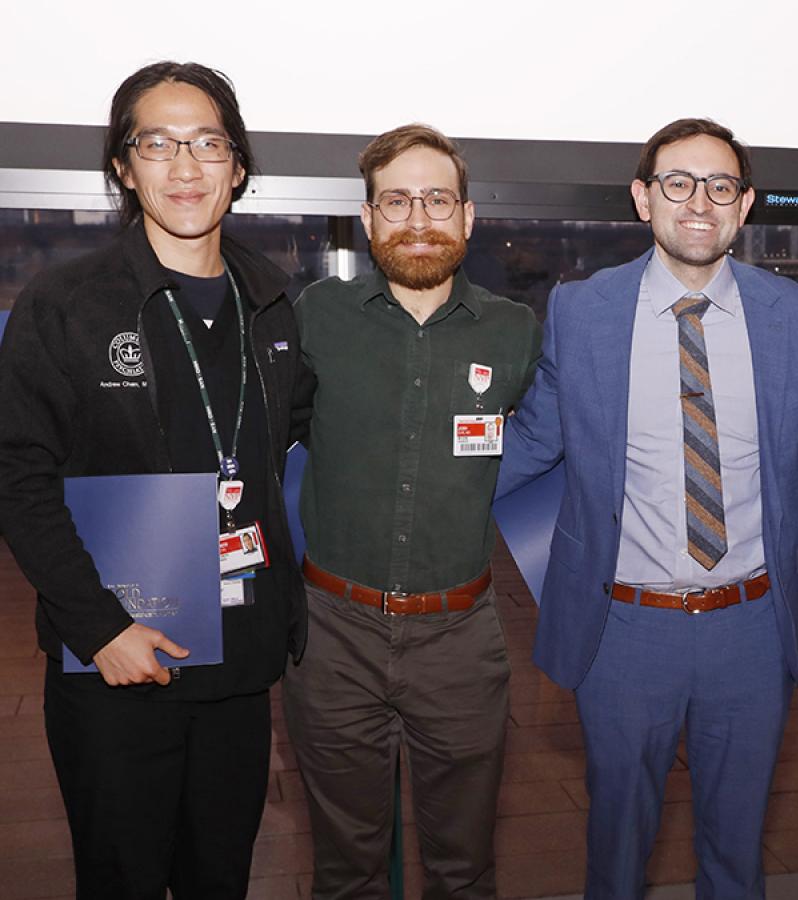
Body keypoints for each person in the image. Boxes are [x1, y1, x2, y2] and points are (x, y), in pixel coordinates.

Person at [494, 117, 798, 898]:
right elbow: (533, 439)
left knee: (737, 854)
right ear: (644, 198)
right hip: (624, 633)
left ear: (744, 205)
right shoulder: (582, 311)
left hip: (751, 624)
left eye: (720, 185)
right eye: (678, 182)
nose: (699, 202)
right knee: (616, 847)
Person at [0, 61, 306, 898]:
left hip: (241, 666)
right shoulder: (65, 305)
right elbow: (18, 478)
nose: (185, 166)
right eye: (158, 143)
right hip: (114, 666)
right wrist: (100, 628)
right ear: (122, 167)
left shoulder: (274, 303)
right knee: (121, 878)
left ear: (238, 166)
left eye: (208, 142)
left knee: (220, 878)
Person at [283, 124, 540, 899]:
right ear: (368, 219)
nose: (418, 218)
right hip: (332, 638)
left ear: (467, 217)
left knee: (464, 870)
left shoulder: (515, 330)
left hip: (461, 642)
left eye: (436, 199)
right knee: (345, 870)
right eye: (397, 200)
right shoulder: (315, 317)